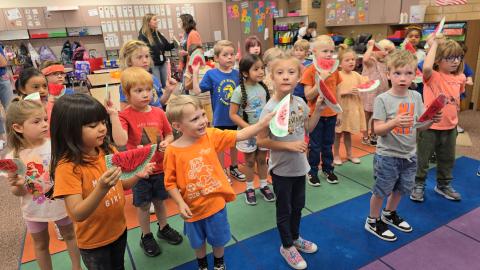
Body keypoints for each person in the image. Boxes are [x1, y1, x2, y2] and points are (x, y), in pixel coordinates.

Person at [163, 95, 274, 270]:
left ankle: (219, 262)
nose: (202, 121)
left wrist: (262, 124)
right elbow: (169, 183)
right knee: (197, 242)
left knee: (219, 238)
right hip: (192, 209)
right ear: (177, 126)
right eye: (194, 119)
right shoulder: (172, 151)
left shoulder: (211, 135)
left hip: (216, 205)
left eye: (202, 115)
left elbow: (241, 134)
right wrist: (180, 202)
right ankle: (202, 264)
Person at [51, 93, 155, 269]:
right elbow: (77, 213)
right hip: (94, 243)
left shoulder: (108, 150)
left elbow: (123, 185)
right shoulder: (67, 168)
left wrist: (138, 173)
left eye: (103, 122)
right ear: (70, 130)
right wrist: (101, 187)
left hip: (119, 230)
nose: (102, 129)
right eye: (93, 125)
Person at [365, 50, 441, 241]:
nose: (403, 78)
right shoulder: (382, 99)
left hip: (409, 154)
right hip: (387, 155)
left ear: (415, 74)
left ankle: (389, 214)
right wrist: (394, 123)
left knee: (401, 189)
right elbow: (377, 130)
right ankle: (372, 220)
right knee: (381, 190)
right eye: (397, 73)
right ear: (389, 74)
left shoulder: (416, 97)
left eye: (408, 73)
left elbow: (420, 126)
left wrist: (432, 120)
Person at [257, 52, 324, 270]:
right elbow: (261, 141)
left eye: (291, 72)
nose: (286, 77)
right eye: (280, 73)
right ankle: (286, 246)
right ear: (272, 78)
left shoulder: (301, 103)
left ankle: (295, 238)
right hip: (281, 170)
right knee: (284, 209)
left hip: (299, 167)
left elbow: (308, 128)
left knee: (298, 206)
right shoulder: (269, 109)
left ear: (298, 77)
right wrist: (289, 146)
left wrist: (319, 110)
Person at [112, 67, 182, 257]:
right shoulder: (124, 115)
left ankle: (164, 227)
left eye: (148, 90)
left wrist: (167, 142)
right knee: (143, 206)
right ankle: (146, 235)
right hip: (140, 171)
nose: (145, 94)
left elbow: (169, 133)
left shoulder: (159, 112)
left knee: (160, 201)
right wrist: (112, 115)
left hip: (160, 168)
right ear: (127, 93)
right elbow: (120, 141)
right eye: (138, 91)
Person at [4, 99, 81, 270]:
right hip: (34, 210)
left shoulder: (57, 145)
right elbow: (17, 192)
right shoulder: (13, 158)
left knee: (70, 235)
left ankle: (77, 267)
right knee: (40, 244)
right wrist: (16, 184)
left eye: (45, 119)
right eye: (37, 121)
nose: (45, 124)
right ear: (18, 128)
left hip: (61, 204)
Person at [410, 37, 466, 202]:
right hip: (430, 127)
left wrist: (454, 119)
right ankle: (418, 184)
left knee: (447, 158)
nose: (455, 61)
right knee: (423, 158)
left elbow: (456, 99)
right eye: (449, 58)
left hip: (450, 127)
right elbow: (426, 66)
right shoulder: (432, 76)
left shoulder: (460, 78)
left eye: (458, 57)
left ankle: (443, 185)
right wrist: (434, 43)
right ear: (438, 60)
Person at [191, 40, 246, 182]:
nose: (229, 57)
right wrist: (195, 74)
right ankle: (222, 169)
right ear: (216, 58)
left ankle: (234, 167)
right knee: (221, 146)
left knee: (234, 143)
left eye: (232, 54)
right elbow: (197, 91)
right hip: (220, 117)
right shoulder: (211, 74)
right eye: (225, 54)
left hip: (235, 117)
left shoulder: (237, 74)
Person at [229, 54, 275, 205]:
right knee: (249, 162)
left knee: (262, 159)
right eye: (256, 69)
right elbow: (233, 115)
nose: (261, 71)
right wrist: (250, 129)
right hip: (247, 133)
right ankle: (249, 188)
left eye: (262, 68)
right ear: (245, 73)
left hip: (263, 132)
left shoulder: (263, 88)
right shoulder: (238, 91)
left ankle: (263, 185)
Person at [301, 35, 342, 185]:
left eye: (331, 51)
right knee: (315, 145)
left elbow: (336, 92)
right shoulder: (309, 70)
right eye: (325, 51)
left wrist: (339, 112)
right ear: (314, 52)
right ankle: (312, 171)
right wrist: (321, 80)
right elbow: (308, 95)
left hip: (331, 113)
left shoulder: (335, 70)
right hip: (315, 115)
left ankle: (328, 168)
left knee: (328, 144)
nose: (329, 54)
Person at [333, 44, 368, 165]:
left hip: (353, 108)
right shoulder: (337, 75)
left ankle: (349, 154)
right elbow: (333, 93)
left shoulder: (357, 75)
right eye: (347, 60)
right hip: (341, 109)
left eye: (353, 59)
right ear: (340, 63)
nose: (351, 62)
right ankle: (336, 155)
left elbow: (366, 85)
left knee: (348, 134)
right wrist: (346, 92)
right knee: (337, 134)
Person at [118, 40, 176, 110]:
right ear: (129, 61)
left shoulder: (152, 78)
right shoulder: (127, 82)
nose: (145, 60)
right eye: (139, 57)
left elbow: (158, 104)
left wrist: (168, 91)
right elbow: (125, 111)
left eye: (147, 56)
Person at [361, 39, 395, 146]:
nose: (386, 53)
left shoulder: (385, 62)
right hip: (370, 93)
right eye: (384, 50)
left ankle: (374, 134)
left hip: (381, 92)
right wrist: (371, 46)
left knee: (377, 115)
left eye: (389, 52)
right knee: (366, 115)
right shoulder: (371, 60)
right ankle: (365, 135)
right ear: (377, 49)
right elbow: (365, 58)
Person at [139, 13, 175, 88]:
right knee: (157, 87)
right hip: (153, 65)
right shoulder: (143, 36)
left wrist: (176, 43)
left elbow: (167, 46)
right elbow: (144, 53)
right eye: (154, 19)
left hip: (162, 63)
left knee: (165, 85)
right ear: (148, 22)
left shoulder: (157, 33)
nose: (157, 21)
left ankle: (165, 99)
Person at [184, 44, 213, 125]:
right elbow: (186, 86)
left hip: (208, 102)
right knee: (197, 124)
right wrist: (194, 74)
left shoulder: (209, 69)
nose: (200, 56)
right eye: (197, 54)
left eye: (202, 54)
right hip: (195, 103)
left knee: (208, 123)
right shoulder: (189, 70)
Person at [0, 44, 14, 150]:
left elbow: (3, 63)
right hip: (3, 79)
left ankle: (14, 136)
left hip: (2, 78)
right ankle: (2, 138)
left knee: (10, 109)